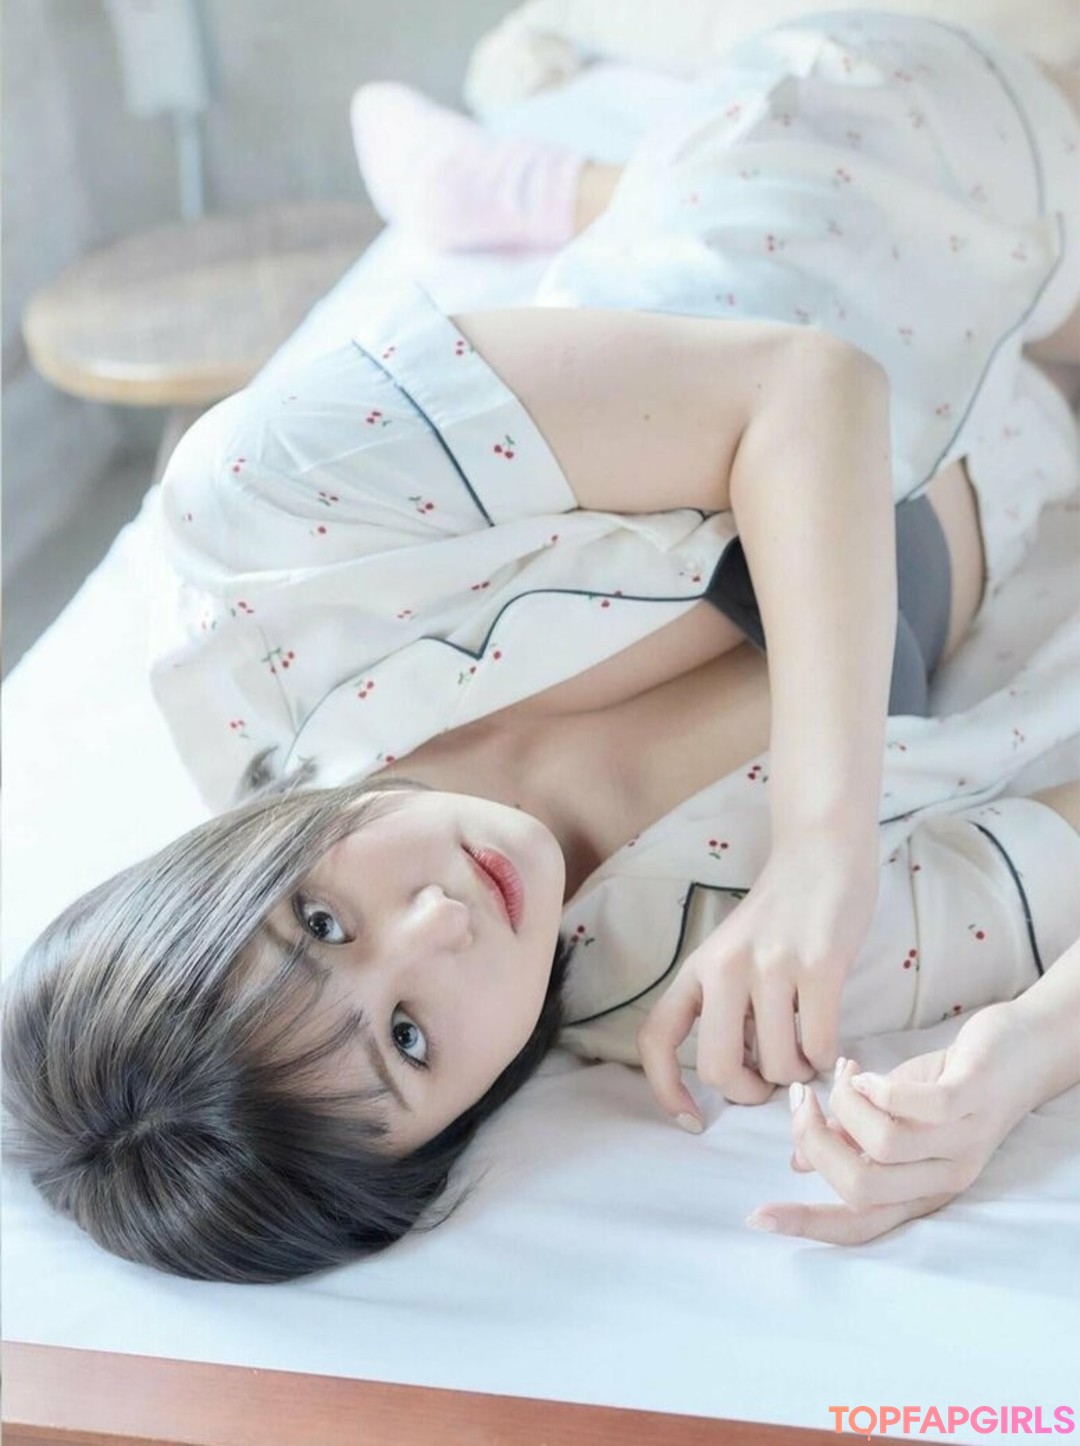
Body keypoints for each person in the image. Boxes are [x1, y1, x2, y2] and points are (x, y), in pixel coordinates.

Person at [4, 10, 1079, 1280]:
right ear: (447, 1133)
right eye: (409, 1041)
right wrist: (1018, 1056)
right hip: (1033, 435)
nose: (439, 925)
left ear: (219, 866)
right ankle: (535, 187)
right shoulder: (698, 977)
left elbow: (811, 385)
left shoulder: (264, 531)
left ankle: (541, 186)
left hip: (870, 179)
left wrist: (822, 845)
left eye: (323, 920)